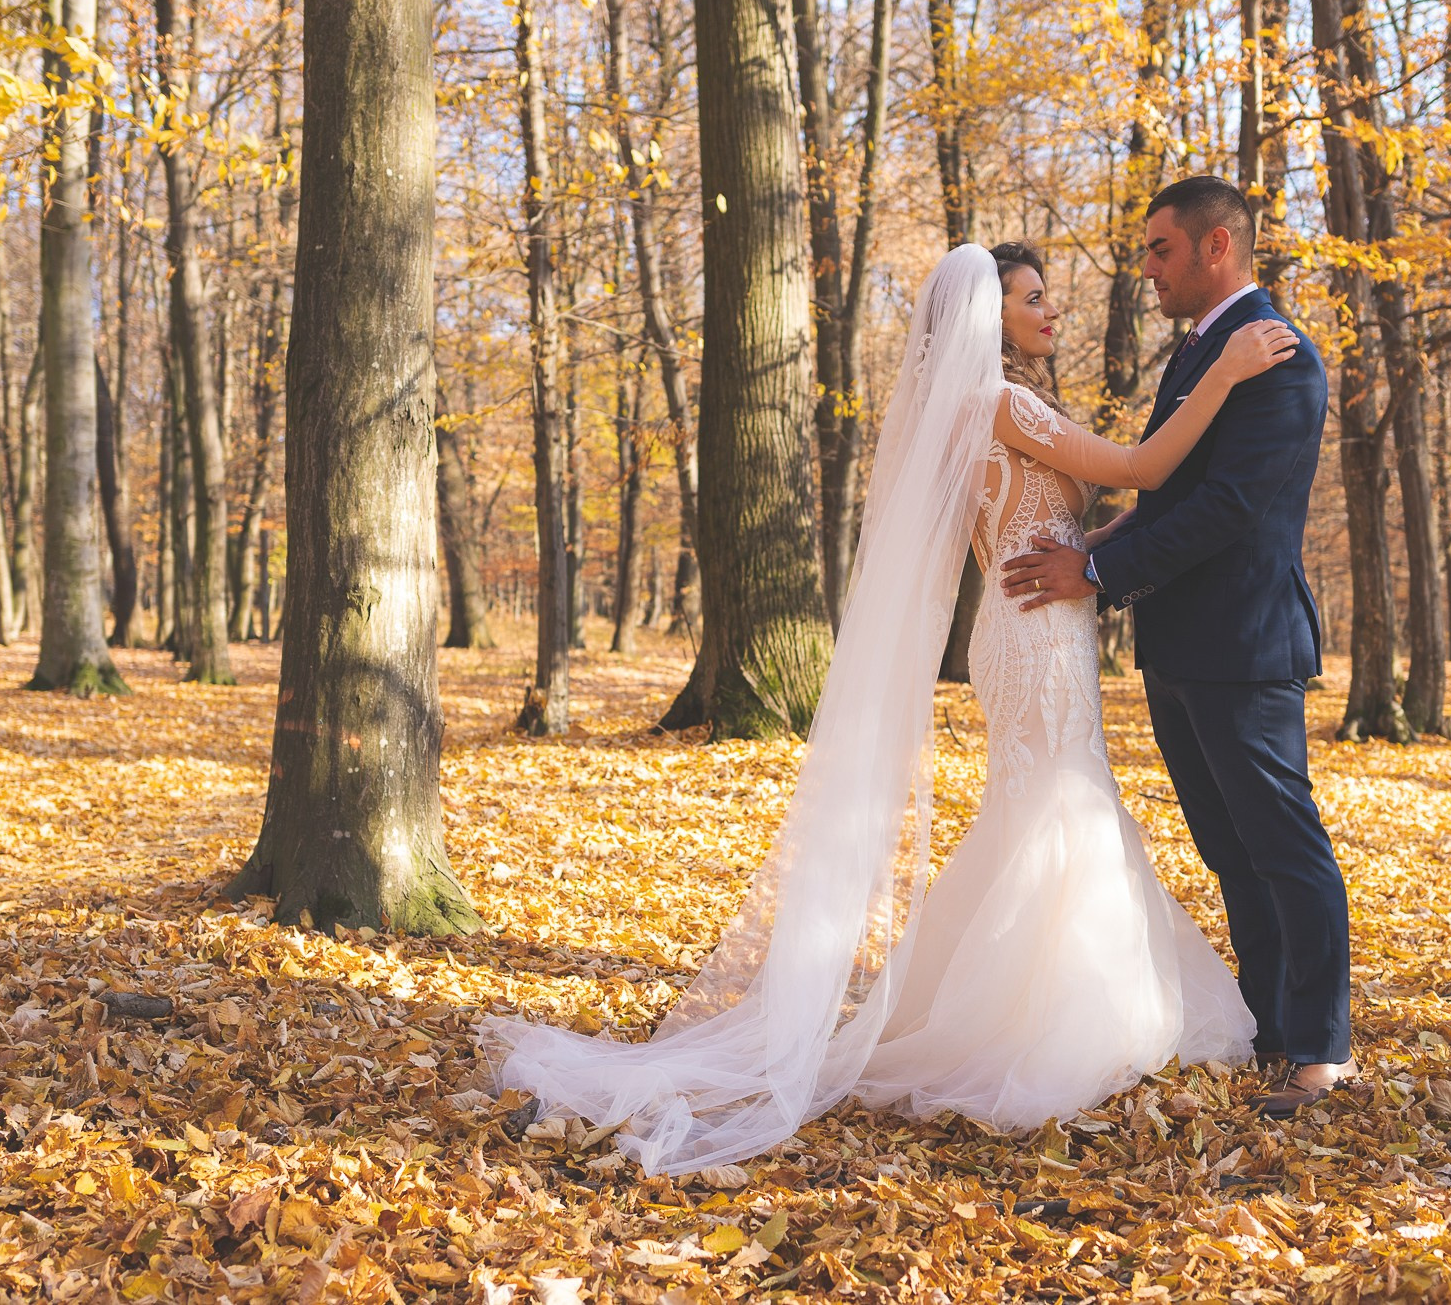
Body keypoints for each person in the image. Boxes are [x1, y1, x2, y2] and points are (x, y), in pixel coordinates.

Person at [478, 237, 1297, 1175]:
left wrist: (1099, 545)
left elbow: (1071, 515)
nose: (1051, 313)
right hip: (1034, 635)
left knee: (1046, 802)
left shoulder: (974, 407)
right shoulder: (1001, 399)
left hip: (1031, 622)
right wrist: (1227, 371)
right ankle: (1042, 1024)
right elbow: (1147, 466)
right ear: (994, 315)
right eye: (1035, 299)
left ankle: (1025, 1003)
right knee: (1058, 802)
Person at [1000, 175, 1356, 1117]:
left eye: (1160, 249)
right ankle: (1269, 1027)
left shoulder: (1278, 357)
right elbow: (1161, 494)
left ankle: (1321, 1048)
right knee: (1229, 848)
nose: (1147, 268)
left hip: (1245, 642)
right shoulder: (1199, 353)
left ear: (1216, 248)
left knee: (1285, 844)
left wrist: (1098, 577)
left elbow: (1230, 509)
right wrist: (1093, 548)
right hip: (1177, 642)